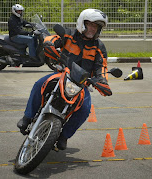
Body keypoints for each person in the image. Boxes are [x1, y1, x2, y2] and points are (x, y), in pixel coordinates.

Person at [17, 9, 110, 150]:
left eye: (96, 26)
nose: (93, 29)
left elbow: (101, 67)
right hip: (62, 74)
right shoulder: (69, 34)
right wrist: (49, 44)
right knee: (40, 84)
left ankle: (64, 135)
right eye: (90, 25)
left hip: (81, 84)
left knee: (85, 109)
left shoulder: (99, 47)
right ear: (82, 23)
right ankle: (27, 117)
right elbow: (52, 39)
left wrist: (102, 82)